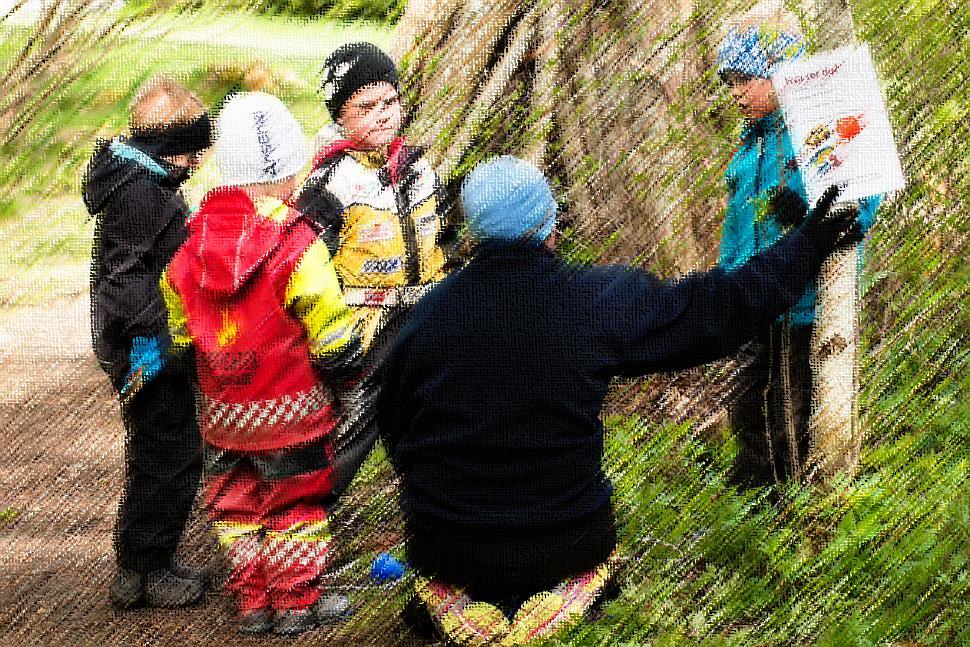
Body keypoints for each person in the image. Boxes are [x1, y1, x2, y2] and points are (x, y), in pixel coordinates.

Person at [376, 156, 865, 644]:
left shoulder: (427, 319)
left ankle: (459, 612)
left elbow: (396, 430)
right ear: (549, 225)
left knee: (454, 561)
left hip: (450, 553)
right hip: (563, 548)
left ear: (474, 237)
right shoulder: (592, 301)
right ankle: (557, 609)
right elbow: (719, 311)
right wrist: (807, 244)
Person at [160, 92, 362, 636]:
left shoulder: (194, 240)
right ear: (293, 170)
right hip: (291, 409)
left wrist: (196, 354)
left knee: (235, 505)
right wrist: (347, 369)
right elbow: (328, 321)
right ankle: (296, 601)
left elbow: (177, 314)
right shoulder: (297, 243)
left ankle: (254, 602)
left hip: (226, 411)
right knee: (296, 504)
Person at [715, 5, 880, 487]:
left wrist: (809, 218)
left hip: (801, 301)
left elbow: (858, 193)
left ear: (780, 73)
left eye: (747, 79)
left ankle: (797, 505)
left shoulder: (815, 126)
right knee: (746, 402)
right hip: (751, 299)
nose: (737, 92)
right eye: (731, 81)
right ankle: (753, 500)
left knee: (795, 406)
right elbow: (735, 227)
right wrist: (726, 284)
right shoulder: (751, 144)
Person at [296, 42, 454, 498]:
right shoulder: (330, 183)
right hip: (366, 333)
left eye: (390, 102)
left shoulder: (420, 169)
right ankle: (302, 522)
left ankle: (438, 520)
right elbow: (308, 264)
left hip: (425, 321)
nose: (383, 115)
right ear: (339, 115)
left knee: (431, 431)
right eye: (366, 107)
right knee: (347, 437)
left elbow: (446, 240)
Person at [82, 75, 212, 609]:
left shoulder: (138, 182)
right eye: (190, 155)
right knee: (172, 452)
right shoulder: (143, 196)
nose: (195, 164)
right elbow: (124, 275)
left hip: (144, 341)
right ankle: (148, 568)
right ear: (168, 150)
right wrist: (147, 340)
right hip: (146, 348)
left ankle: (138, 566)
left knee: (157, 448)